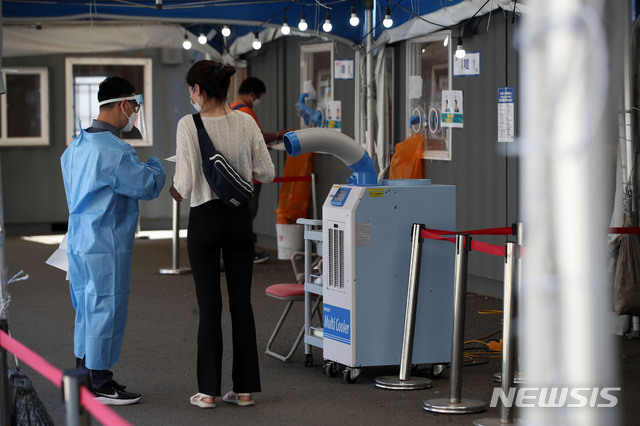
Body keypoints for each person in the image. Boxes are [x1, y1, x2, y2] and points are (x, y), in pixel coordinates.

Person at [169, 60, 274, 409]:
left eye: (190, 90)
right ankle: (243, 391)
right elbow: (267, 172)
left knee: (210, 306)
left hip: (205, 220)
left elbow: (182, 185)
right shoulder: (245, 121)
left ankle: (209, 392)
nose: (190, 96)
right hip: (239, 219)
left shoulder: (189, 124)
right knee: (242, 305)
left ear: (198, 91)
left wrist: (172, 190)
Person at [60, 76, 166, 405]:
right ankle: (101, 383)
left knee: (86, 311)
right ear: (124, 104)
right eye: (135, 107)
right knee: (106, 309)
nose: (134, 115)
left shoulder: (74, 147)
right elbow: (146, 185)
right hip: (105, 245)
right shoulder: (116, 151)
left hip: (77, 242)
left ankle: (82, 377)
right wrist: (157, 166)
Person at [231, 77, 288, 264]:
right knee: (248, 212)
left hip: (235, 172)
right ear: (251, 95)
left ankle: (235, 252)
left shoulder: (230, 108)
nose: (258, 101)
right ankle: (246, 252)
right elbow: (260, 137)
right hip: (249, 172)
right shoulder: (246, 111)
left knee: (237, 214)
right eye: (258, 97)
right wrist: (280, 135)